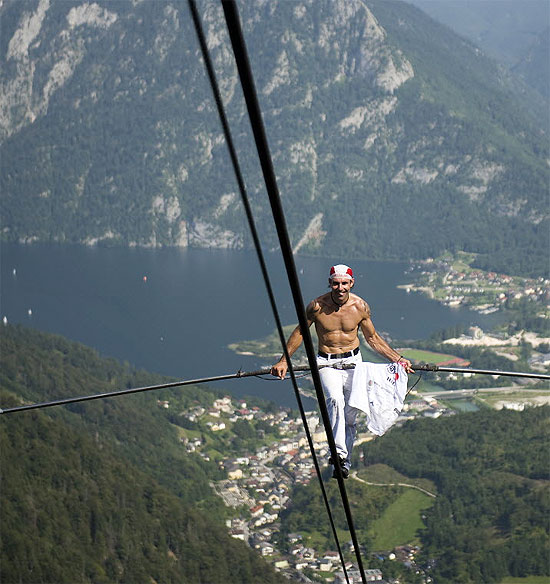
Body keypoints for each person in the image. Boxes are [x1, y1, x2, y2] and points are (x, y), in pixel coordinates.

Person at [271, 264, 413, 478]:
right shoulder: (317, 307)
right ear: (329, 283)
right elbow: (300, 332)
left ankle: (344, 462)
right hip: (326, 362)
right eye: (335, 283)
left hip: (353, 361)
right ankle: (337, 453)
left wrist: (398, 359)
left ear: (351, 283)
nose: (340, 288)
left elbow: (372, 338)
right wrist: (283, 360)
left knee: (350, 413)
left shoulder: (360, 307)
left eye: (344, 283)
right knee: (335, 400)